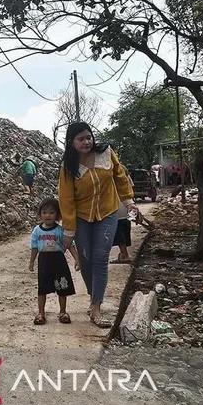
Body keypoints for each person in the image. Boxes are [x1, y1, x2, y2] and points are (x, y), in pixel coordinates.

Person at [58, 122, 138, 328]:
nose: (86, 142)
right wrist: (68, 230)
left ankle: (96, 308)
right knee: (86, 260)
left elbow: (120, 177)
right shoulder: (68, 166)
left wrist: (129, 202)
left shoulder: (106, 153)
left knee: (101, 258)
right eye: (80, 139)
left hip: (108, 213)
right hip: (82, 217)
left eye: (88, 137)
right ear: (71, 142)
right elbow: (66, 200)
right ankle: (94, 296)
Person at [29, 198, 80, 325]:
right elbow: (34, 247)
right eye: (44, 212)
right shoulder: (37, 231)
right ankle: (41, 313)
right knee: (42, 288)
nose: (48, 215)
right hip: (44, 261)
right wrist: (31, 262)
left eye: (51, 212)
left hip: (59, 261)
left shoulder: (60, 230)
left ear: (57, 215)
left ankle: (63, 312)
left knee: (62, 287)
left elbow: (70, 245)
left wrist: (77, 259)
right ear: (40, 214)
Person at [111, 164, 135, 264]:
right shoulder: (126, 177)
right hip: (126, 208)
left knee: (119, 234)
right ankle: (124, 254)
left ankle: (124, 255)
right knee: (124, 232)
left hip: (116, 208)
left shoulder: (112, 179)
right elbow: (132, 190)